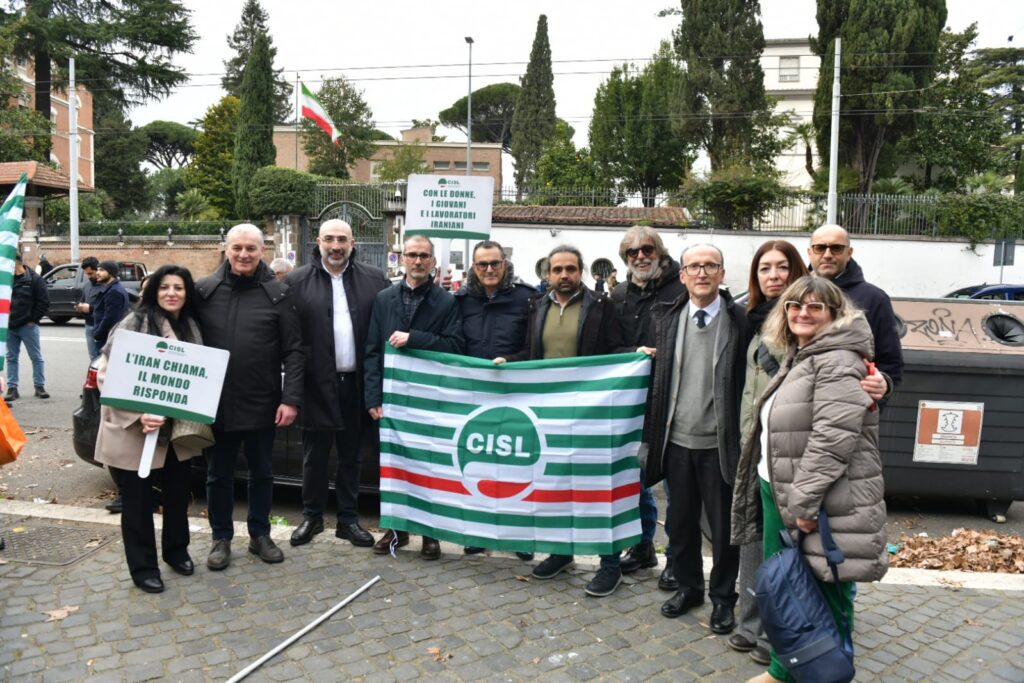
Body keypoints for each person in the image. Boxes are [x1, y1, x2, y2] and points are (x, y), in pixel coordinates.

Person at [732, 276, 888, 683]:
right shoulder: (803, 355)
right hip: (780, 490)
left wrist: (804, 503)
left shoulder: (837, 360)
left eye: (815, 306)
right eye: (795, 305)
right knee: (792, 587)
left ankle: (828, 675)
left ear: (835, 315)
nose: (803, 312)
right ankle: (784, 670)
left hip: (820, 500)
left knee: (827, 590)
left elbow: (831, 439)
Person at [499, 245, 639, 598]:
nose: (564, 275)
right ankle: (561, 551)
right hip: (549, 414)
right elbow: (532, 354)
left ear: (581, 271)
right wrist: (508, 362)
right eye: (557, 269)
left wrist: (635, 356)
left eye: (571, 269)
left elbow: (614, 349)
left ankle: (610, 564)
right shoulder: (537, 306)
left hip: (592, 413)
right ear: (547, 274)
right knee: (555, 483)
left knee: (598, 486)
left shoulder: (601, 305)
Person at [642, 243, 747, 633]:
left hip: (720, 445)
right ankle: (689, 589)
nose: (702, 273)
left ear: (722, 274)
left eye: (710, 266)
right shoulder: (667, 318)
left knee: (723, 530)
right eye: (694, 267)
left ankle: (723, 599)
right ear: (682, 275)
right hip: (676, 442)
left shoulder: (740, 320)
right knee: (681, 524)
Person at [196, 224, 303, 570]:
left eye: (251, 249)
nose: (244, 254)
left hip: (262, 402)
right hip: (216, 403)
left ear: (262, 251)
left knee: (262, 474)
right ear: (226, 249)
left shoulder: (278, 294)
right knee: (218, 476)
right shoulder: (204, 291)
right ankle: (221, 538)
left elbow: (294, 351)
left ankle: (260, 535)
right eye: (237, 248)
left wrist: (290, 399)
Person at [93, 265, 205, 594]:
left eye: (179, 287)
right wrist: (139, 414)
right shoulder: (134, 323)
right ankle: (143, 568)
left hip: (176, 430)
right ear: (154, 291)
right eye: (165, 287)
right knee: (138, 502)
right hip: (135, 430)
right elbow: (105, 375)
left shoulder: (191, 325)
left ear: (187, 293)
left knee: (177, 494)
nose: (172, 293)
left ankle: (176, 551)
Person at [285, 220, 389, 548]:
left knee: (352, 456)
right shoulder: (296, 281)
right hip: (315, 384)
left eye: (342, 239)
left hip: (356, 385)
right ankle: (312, 517)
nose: (335, 246)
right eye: (329, 239)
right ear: (318, 242)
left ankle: (348, 520)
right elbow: (290, 339)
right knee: (314, 456)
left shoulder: (375, 280)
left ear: (352, 243)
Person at [365, 234, 464, 560]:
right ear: (402, 258)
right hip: (392, 398)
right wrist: (372, 397)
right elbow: (372, 350)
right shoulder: (384, 298)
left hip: (429, 399)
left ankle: (430, 533)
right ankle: (396, 529)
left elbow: (455, 346)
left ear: (432, 261)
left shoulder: (447, 302)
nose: (418, 261)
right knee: (393, 465)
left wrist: (415, 339)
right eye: (412, 255)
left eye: (423, 255)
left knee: (429, 466)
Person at [610, 226, 686, 588]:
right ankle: (643, 546)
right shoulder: (618, 295)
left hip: (674, 400)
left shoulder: (682, 289)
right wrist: (632, 354)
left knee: (676, 485)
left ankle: (677, 558)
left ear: (660, 252)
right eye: (632, 252)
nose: (640, 256)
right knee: (636, 480)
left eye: (647, 250)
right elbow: (609, 345)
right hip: (633, 402)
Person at [453, 239, 535, 560]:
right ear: (473, 267)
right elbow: (452, 344)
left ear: (505, 264)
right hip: (474, 398)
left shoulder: (527, 298)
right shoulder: (461, 301)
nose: (489, 269)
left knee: (516, 466)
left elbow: (535, 346)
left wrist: (511, 361)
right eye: (482, 264)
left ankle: (519, 536)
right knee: (477, 466)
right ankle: (478, 531)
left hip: (516, 396)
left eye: (495, 263)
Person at [808, 224, 903, 395]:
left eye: (836, 248)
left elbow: (890, 363)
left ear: (849, 253)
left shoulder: (875, 299)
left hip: (849, 405)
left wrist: (882, 385)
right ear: (810, 252)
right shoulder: (792, 296)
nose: (827, 255)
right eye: (820, 248)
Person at [5, 253, 50, 402]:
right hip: (10, 326)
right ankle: (12, 388)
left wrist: (33, 319)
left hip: (27, 325)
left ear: (17, 263)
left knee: (36, 357)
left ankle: (39, 386)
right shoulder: (5, 280)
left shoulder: (34, 279)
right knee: (11, 358)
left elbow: (43, 301)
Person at [91, 261, 130, 350]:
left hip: (107, 338)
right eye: (97, 270)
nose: (97, 273)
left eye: (101, 270)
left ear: (111, 272)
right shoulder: (112, 289)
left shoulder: (114, 292)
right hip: (107, 336)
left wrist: (98, 334)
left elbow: (110, 318)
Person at [75, 256, 103, 362]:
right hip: (89, 325)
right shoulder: (87, 286)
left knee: (103, 358)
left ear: (98, 270)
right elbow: (83, 301)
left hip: (102, 327)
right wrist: (80, 307)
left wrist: (90, 309)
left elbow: (109, 310)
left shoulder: (106, 286)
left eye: (91, 273)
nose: (89, 276)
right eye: (87, 274)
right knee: (93, 357)